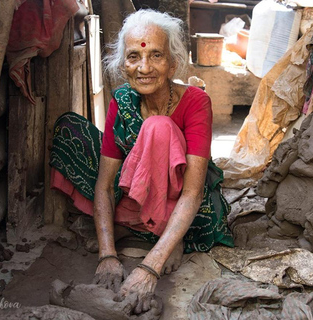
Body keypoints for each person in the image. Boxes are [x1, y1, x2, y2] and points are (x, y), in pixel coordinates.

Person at [49, 9, 233, 314]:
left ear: (173, 62)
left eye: (156, 55)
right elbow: (105, 184)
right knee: (70, 129)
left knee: (157, 127)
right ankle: (132, 228)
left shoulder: (196, 102)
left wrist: (150, 268)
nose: (144, 67)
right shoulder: (122, 101)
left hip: (184, 204)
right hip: (137, 194)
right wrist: (107, 255)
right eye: (134, 56)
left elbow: (192, 193)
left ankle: (164, 237)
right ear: (123, 64)